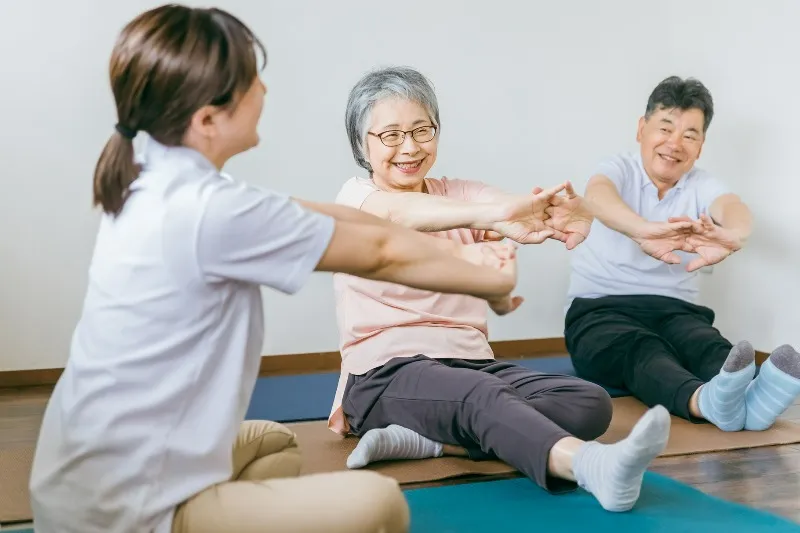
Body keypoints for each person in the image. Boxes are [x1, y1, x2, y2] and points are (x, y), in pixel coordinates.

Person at [27, 7, 531, 533]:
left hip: (79, 476)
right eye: (250, 80)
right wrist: (490, 279)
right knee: (379, 504)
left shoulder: (157, 173)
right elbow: (382, 249)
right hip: (121, 506)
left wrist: (491, 217)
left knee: (274, 446)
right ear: (206, 119)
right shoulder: (208, 211)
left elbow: (336, 217)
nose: (263, 88)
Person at [328, 65, 672, 514]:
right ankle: (590, 467)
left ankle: (430, 443)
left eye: (420, 130)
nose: (409, 147)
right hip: (383, 374)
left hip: (469, 365)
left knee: (588, 402)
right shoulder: (356, 199)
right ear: (361, 145)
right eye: (390, 136)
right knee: (482, 399)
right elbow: (402, 214)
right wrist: (490, 215)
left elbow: (517, 211)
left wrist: (574, 215)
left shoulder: (460, 192)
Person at [564, 75, 800, 433]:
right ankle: (704, 402)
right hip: (600, 311)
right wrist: (642, 230)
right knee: (643, 350)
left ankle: (755, 399)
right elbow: (597, 197)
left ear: (701, 146)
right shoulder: (618, 169)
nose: (675, 144)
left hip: (677, 311)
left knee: (705, 344)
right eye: (666, 128)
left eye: (690, 135)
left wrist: (732, 236)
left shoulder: (701, 184)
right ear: (642, 129)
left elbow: (734, 208)